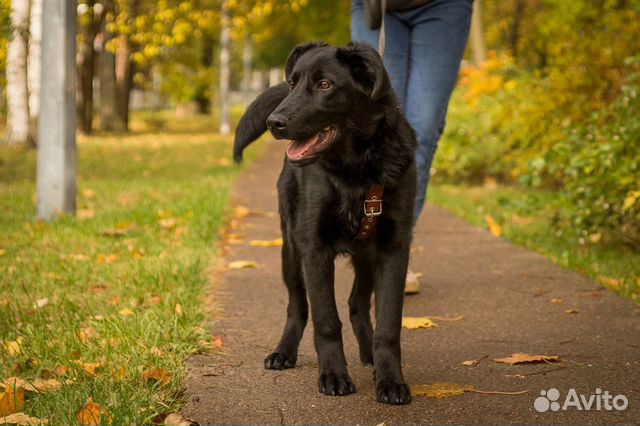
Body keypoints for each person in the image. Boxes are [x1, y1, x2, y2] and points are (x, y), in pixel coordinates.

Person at [351, 0, 473, 294]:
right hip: (377, 6)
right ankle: (369, 236)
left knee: (423, 127)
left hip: (442, 6)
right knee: (376, 116)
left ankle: (392, 250)